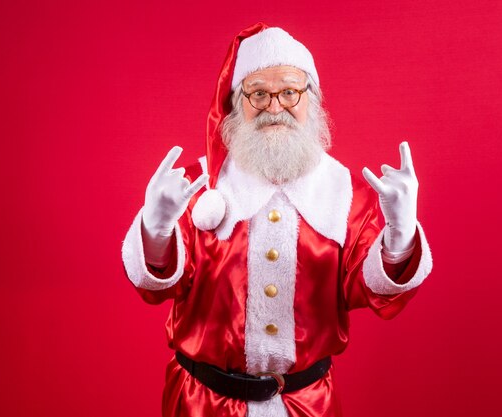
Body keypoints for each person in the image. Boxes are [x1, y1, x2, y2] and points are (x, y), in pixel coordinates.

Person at [122, 23, 432, 417]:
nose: (274, 107)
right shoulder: (196, 189)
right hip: (202, 405)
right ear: (237, 103)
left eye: (289, 91)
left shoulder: (347, 194)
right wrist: (156, 228)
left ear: (312, 99)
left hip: (307, 406)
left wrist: (401, 236)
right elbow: (156, 286)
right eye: (258, 93)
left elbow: (373, 292)